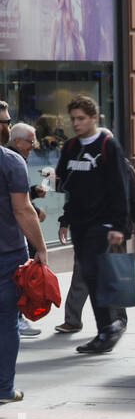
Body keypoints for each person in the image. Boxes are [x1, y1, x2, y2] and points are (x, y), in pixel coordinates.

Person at [55, 95, 132, 355]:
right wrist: (65, 218)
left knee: (93, 270)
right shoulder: (70, 147)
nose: (76, 123)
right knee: (92, 274)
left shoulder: (107, 145)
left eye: (81, 118)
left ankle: (108, 327)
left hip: (103, 221)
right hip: (80, 221)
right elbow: (66, 184)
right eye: (73, 119)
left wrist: (120, 226)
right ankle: (109, 326)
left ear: (93, 118)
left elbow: (120, 187)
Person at [0, 133, 48, 403]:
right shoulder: (10, 161)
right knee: (6, 323)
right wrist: (40, 247)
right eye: (5, 121)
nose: (7, 126)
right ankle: (4, 389)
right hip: (7, 254)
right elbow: (23, 210)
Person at [7, 123, 45, 338]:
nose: (33, 145)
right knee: (18, 278)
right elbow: (18, 205)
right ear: (19, 141)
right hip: (14, 236)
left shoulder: (14, 158)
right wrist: (41, 247)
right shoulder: (12, 160)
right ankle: (18, 319)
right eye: (31, 141)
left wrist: (33, 194)